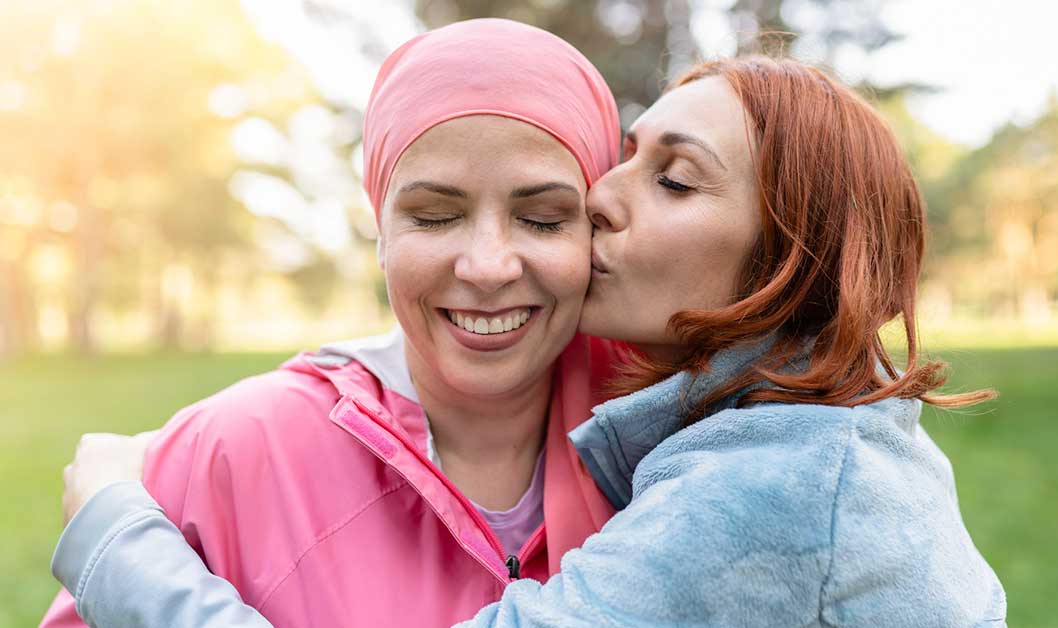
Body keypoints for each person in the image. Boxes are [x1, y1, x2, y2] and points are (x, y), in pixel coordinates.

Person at [48, 49, 1009, 628]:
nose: (602, 200)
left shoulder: (779, 476)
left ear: (789, 257)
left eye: (673, 181)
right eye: (627, 156)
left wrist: (116, 543)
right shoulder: (781, 424)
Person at [40, 18, 624, 628]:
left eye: (544, 219)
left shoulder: (672, 451)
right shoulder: (223, 453)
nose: (486, 266)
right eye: (433, 216)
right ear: (381, 229)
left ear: (598, 230)